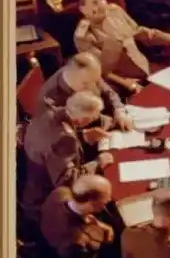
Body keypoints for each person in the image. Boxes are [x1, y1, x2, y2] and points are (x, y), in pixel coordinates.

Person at [74, 0, 170, 93]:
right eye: (94, 3)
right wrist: (127, 84)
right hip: (123, 83)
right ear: (82, 9)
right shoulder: (84, 36)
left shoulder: (114, 11)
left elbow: (139, 32)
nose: (101, 6)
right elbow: (100, 71)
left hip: (145, 69)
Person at [22, 92, 114, 225]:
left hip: (33, 179)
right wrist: (98, 163)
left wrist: (82, 136)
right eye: (92, 118)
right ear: (80, 120)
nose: (94, 120)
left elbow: (53, 141)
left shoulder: (49, 113)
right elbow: (68, 180)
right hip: (47, 200)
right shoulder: (65, 140)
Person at [40, 175, 114, 258]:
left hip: (47, 230)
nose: (109, 199)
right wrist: (107, 229)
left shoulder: (61, 192)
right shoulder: (78, 241)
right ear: (91, 202)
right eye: (105, 200)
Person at [36, 52, 130, 128]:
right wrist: (99, 122)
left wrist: (119, 111)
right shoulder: (50, 99)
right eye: (86, 83)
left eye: (96, 81)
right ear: (71, 76)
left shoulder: (88, 76)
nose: (93, 87)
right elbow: (59, 132)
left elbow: (109, 93)